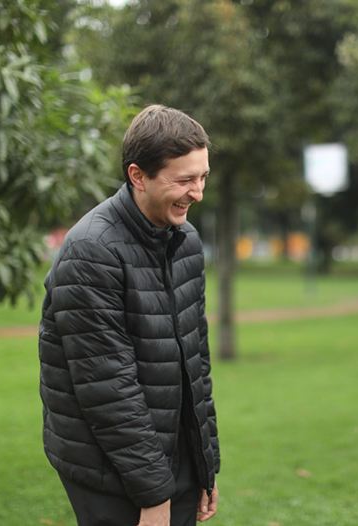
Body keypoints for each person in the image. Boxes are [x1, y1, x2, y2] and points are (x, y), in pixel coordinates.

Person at [39, 104, 220, 526]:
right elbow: (108, 389)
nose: (198, 193)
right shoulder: (91, 251)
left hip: (172, 459)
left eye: (203, 177)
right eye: (184, 180)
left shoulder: (186, 240)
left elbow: (196, 366)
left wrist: (203, 466)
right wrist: (154, 494)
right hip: (108, 468)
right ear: (138, 176)